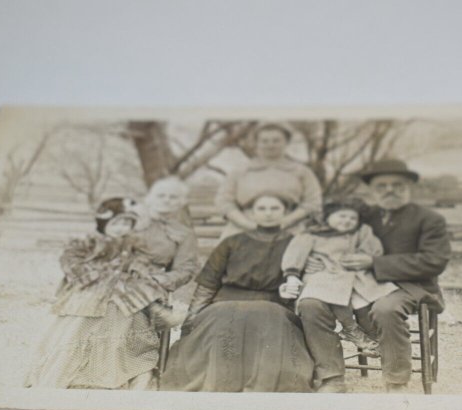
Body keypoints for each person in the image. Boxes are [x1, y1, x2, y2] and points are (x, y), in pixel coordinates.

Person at [298, 159, 451, 393]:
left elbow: (434, 261)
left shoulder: (429, 219)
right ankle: (332, 376)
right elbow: (331, 235)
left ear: (409, 187)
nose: (390, 190)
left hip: (410, 286)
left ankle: (396, 382)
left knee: (385, 308)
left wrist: (375, 262)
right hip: (356, 281)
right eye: (381, 186)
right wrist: (315, 259)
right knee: (310, 304)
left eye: (397, 185)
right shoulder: (364, 215)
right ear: (371, 189)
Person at [25, 196, 191, 390]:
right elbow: (72, 264)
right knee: (81, 328)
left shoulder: (132, 245)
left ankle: (151, 314)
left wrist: (137, 270)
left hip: (122, 294)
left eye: (126, 224)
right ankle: (73, 374)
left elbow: (143, 264)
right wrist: (101, 274)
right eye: (116, 223)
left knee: (132, 301)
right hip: (90, 291)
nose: (121, 228)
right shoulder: (87, 242)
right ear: (104, 223)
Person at [159, 192, 315, 393]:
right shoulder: (232, 242)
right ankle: (219, 382)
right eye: (262, 208)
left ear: (285, 212)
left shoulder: (296, 244)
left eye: (275, 208)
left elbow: (305, 277)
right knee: (219, 319)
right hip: (225, 300)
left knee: (270, 320)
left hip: (274, 302)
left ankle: (265, 384)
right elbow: (209, 282)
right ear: (251, 213)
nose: (268, 213)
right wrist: (192, 317)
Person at [280, 198, 398, 354]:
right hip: (322, 275)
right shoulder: (312, 234)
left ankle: (374, 336)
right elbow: (295, 254)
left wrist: (362, 258)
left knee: (365, 301)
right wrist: (293, 274)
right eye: (342, 216)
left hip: (353, 274)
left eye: (352, 218)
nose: (347, 221)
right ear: (328, 217)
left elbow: (373, 249)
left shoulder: (360, 232)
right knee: (335, 293)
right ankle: (350, 328)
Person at [214, 122, 323, 239]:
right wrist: (248, 224)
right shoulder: (240, 171)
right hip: (244, 227)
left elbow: (312, 202)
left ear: (286, 142)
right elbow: (224, 202)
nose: (270, 145)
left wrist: (286, 221)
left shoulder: (302, 171)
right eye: (264, 141)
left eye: (276, 140)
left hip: (290, 227)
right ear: (256, 143)